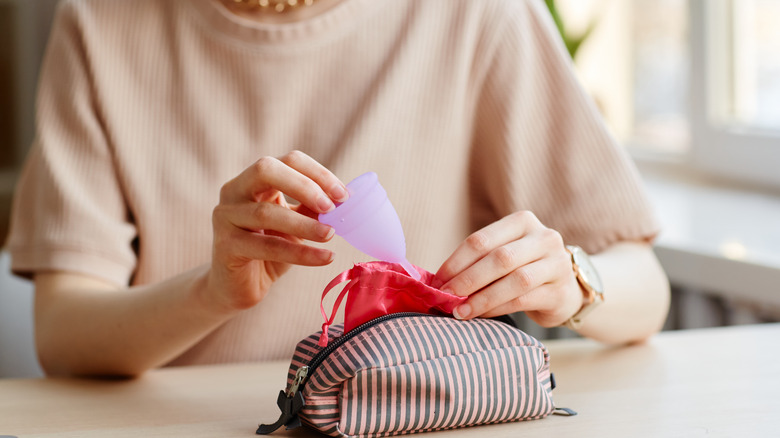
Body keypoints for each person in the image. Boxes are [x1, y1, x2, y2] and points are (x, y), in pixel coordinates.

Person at [7, 0, 670, 377]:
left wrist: (574, 279)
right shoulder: (99, 23)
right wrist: (213, 292)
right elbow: (64, 335)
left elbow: (646, 288)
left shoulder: (476, 15)